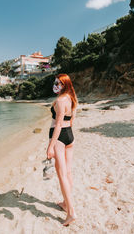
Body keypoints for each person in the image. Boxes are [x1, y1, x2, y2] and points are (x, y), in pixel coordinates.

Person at [46, 73, 78, 226]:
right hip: (69, 135)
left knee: (62, 175)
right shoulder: (72, 98)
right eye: (55, 82)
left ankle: (71, 212)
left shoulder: (59, 100)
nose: (56, 84)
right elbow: (72, 119)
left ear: (65, 85)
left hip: (59, 137)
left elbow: (57, 124)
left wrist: (50, 146)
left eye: (59, 83)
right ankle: (66, 203)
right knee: (68, 172)